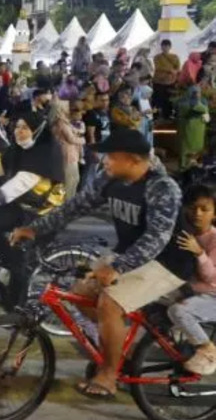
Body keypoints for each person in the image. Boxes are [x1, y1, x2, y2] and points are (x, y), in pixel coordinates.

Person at [10, 128, 195, 400]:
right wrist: (35, 228)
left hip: (168, 262)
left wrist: (117, 267)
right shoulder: (108, 179)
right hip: (129, 254)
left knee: (109, 304)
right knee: (80, 293)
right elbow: (74, 207)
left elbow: (157, 237)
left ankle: (109, 375)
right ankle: (120, 353)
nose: (104, 160)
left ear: (132, 160)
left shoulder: (162, 188)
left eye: (111, 156)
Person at [0, 111, 66, 308]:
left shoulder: (46, 151)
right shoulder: (16, 149)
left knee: (20, 258)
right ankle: (10, 263)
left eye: (24, 128)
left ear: (36, 130)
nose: (18, 131)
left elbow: (22, 182)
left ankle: (17, 308)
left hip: (44, 213)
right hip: (22, 207)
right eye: (16, 126)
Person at [167, 184, 216, 375]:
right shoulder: (186, 232)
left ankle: (208, 349)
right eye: (193, 208)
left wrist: (199, 253)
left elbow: (211, 277)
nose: (197, 213)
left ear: (214, 214)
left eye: (204, 209)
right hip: (191, 289)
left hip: (212, 295)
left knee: (178, 311)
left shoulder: (213, 238)